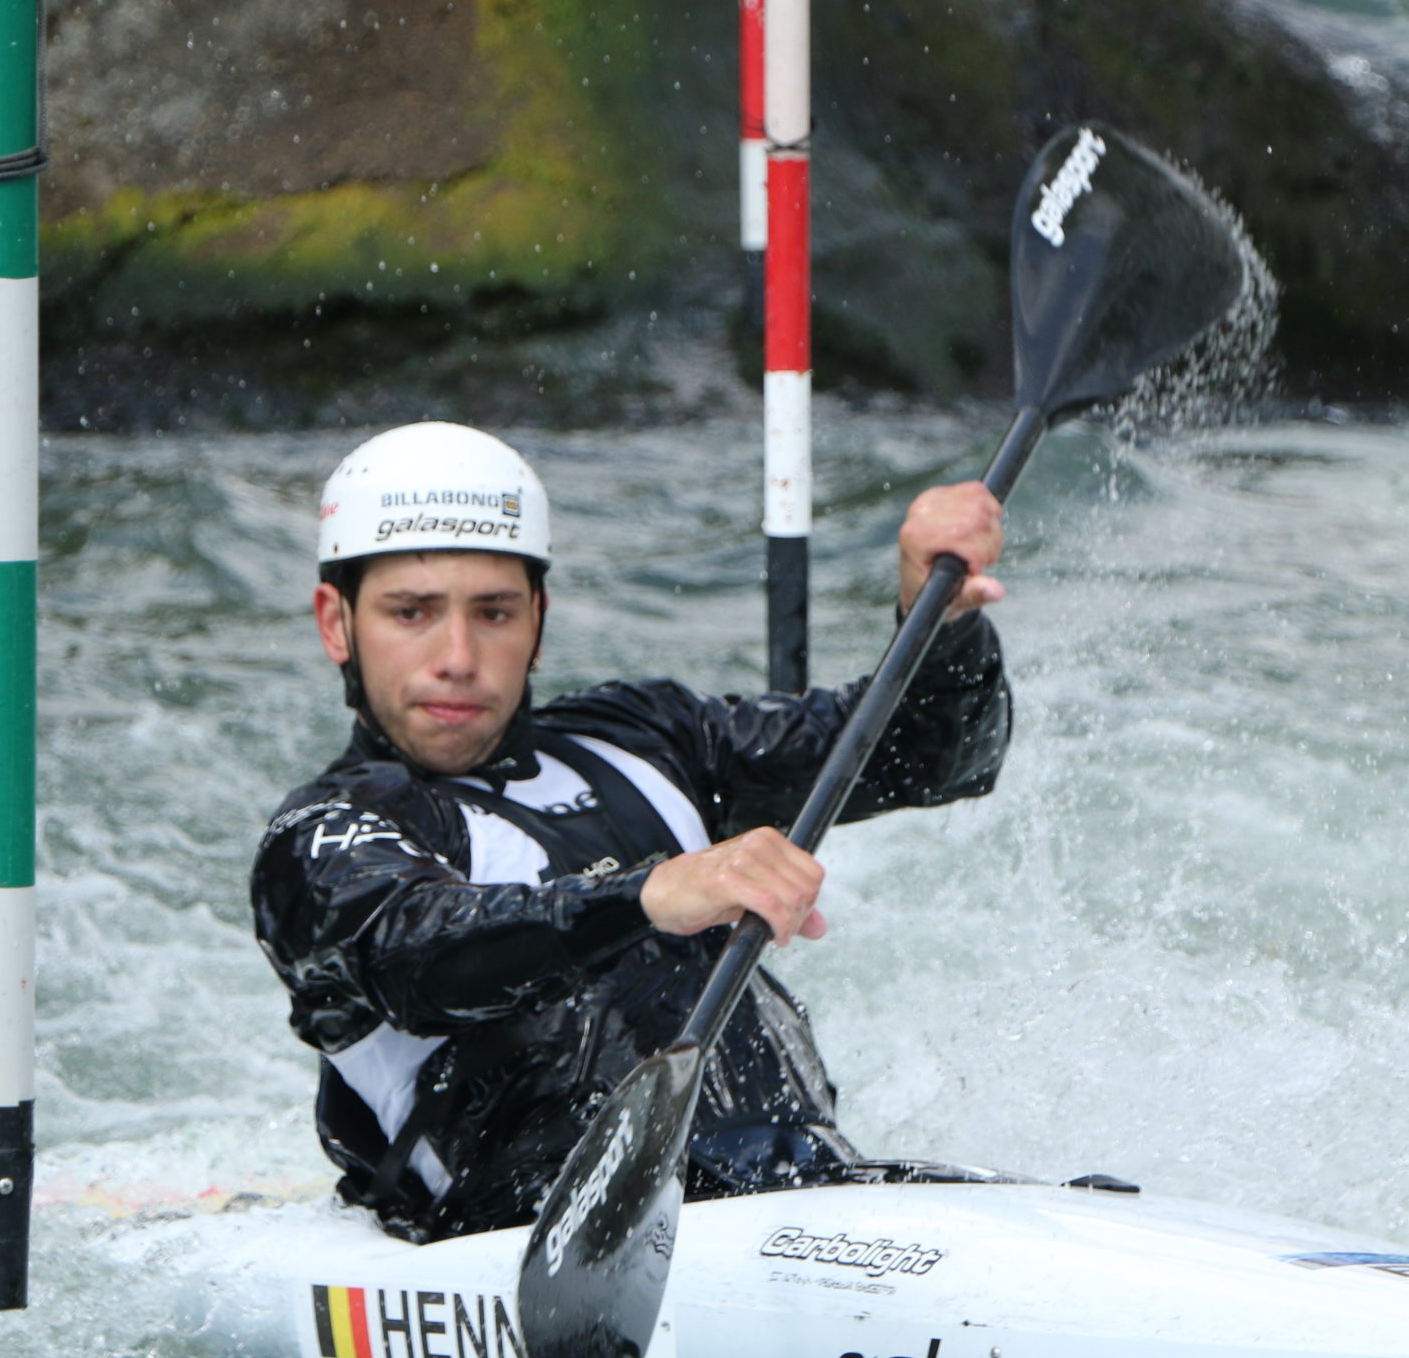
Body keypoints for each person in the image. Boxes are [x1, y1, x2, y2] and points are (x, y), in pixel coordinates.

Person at [252, 422, 1010, 1242]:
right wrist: (645, 895)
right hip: (531, 1240)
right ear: (337, 623)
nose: (458, 656)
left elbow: (933, 755)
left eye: (495, 612)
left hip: (796, 1196)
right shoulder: (321, 834)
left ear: (537, 618)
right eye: (412, 613)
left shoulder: (647, 737)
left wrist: (940, 615)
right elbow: (422, 957)